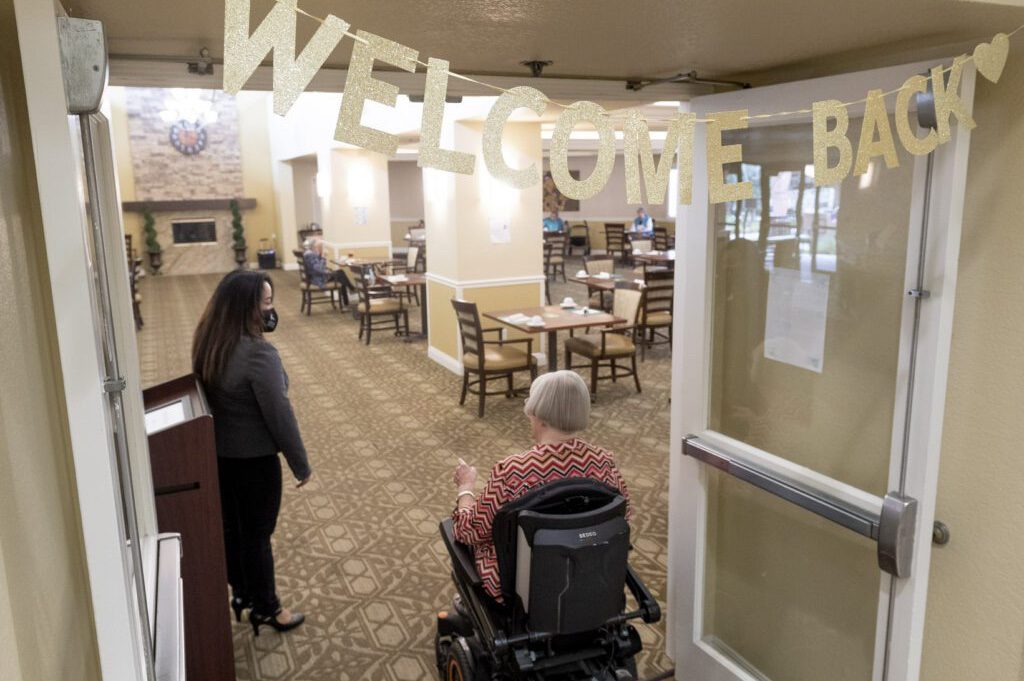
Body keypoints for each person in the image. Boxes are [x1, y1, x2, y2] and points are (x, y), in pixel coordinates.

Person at [192, 271, 312, 636]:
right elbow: (279, 414)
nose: (272, 310)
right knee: (257, 536)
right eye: (267, 302)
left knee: (234, 531)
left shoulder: (209, 341)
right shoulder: (259, 354)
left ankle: (242, 596)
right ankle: (268, 609)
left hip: (220, 457)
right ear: (248, 307)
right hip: (256, 463)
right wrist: (300, 464)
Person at [450, 371, 631, 601]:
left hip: (523, 588)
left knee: (454, 534)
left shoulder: (513, 470)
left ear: (540, 417)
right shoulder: (604, 462)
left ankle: (468, 606)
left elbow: (469, 532)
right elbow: (623, 518)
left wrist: (466, 488)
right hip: (588, 575)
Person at [303, 236, 352, 306]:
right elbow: (319, 269)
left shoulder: (310, 253)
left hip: (316, 276)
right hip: (318, 279)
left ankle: (348, 296)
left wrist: (320, 256)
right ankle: (350, 291)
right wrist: (323, 257)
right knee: (340, 275)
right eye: (320, 246)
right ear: (315, 246)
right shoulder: (311, 255)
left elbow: (318, 266)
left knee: (340, 274)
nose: (321, 247)